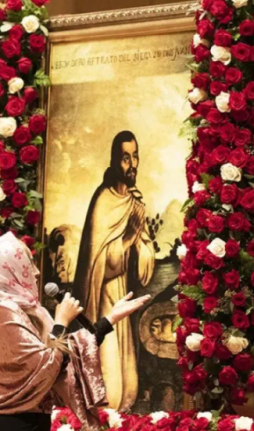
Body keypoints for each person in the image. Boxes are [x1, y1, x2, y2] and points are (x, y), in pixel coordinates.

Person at [0, 232, 150, 431]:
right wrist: (61, 321)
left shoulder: (15, 311)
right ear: (8, 269)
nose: (37, 272)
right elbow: (45, 366)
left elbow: (67, 353)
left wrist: (110, 319)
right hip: (6, 424)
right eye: (29, 263)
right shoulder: (2, 314)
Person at [71, 130, 155, 410]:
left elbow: (144, 263)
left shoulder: (133, 202)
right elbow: (102, 266)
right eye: (125, 158)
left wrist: (143, 247)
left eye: (135, 157)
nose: (131, 165)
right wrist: (131, 237)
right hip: (103, 300)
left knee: (128, 380)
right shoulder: (103, 201)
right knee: (111, 384)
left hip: (124, 298)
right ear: (114, 161)